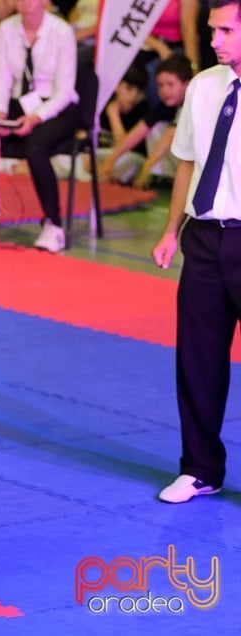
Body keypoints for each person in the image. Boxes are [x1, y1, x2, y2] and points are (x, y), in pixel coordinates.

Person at [152, 0, 241, 505]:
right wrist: (170, 231)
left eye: (226, 30)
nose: (214, 40)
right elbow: (185, 162)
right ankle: (200, 467)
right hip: (205, 239)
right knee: (198, 360)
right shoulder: (204, 87)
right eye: (212, 30)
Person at [0, 0, 78, 253]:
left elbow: (64, 91)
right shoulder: (6, 29)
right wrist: (0, 114)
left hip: (57, 106)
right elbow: (1, 79)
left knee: (35, 147)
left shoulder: (61, 32)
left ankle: (53, 224)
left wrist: (35, 118)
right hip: (19, 103)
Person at [98, 55, 192, 188]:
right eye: (160, 85)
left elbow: (169, 136)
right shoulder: (166, 105)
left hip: (199, 162)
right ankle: (165, 178)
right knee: (155, 128)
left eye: (170, 85)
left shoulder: (192, 101)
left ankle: (178, 179)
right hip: (181, 161)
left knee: (162, 131)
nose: (164, 91)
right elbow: (139, 131)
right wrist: (111, 159)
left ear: (187, 85)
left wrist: (146, 168)